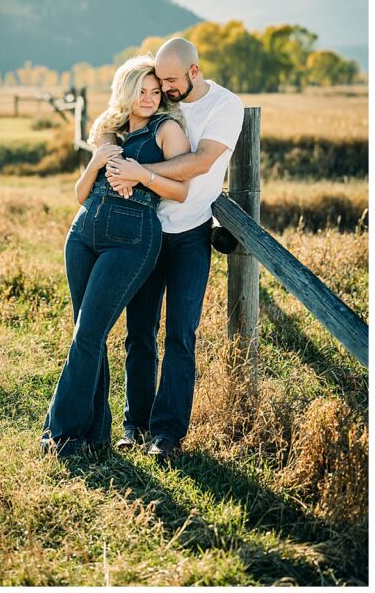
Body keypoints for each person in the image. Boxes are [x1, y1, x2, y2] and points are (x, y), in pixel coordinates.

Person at [41, 55, 190, 457]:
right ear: (126, 91)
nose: (149, 98)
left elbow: (181, 191)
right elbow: (80, 194)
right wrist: (97, 160)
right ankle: (94, 433)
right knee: (86, 334)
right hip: (83, 231)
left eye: (156, 91)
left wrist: (142, 176)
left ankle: (62, 435)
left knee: (88, 334)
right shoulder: (109, 129)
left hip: (132, 235)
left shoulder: (168, 129)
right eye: (141, 90)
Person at [106, 37, 245, 458]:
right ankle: (135, 425)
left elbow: (202, 161)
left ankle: (167, 434)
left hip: (190, 233)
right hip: (145, 230)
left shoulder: (225, 106)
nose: (163, 88)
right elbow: (120, 123)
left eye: (170, 79)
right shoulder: (160, 100)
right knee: (139, 333)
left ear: (194, 72)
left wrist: (139, 171)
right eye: (159, 79)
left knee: (181, 334)